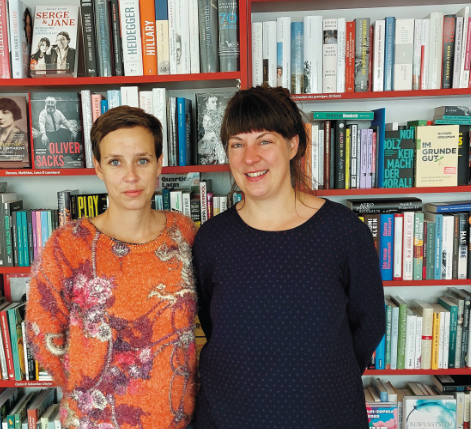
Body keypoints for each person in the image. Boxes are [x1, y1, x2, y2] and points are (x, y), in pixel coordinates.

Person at [192, 86, 385, 428]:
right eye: (237, 144)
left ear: (293, 145)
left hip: (325, 416)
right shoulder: (212, 238)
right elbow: (213, 324)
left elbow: (368, 324)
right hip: (228, 417)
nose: (250, 157)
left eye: (264, 141)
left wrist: (322, 378)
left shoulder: (343, 231)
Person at [26, 105, 198, 429]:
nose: (130, 176)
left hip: (178, 420)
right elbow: (42, 336)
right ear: (99, 168)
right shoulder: (68, 245)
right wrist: (89, 389)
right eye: (115, 161)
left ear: (159, 163)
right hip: (96, 421)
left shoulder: (185, 233)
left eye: (142, 160)